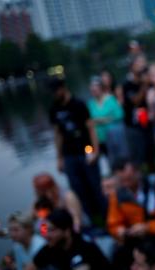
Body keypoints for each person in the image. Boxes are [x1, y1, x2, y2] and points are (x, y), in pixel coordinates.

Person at [48, 78, 106, 225]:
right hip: (69, 154)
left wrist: (95, 150)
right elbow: (57, 134)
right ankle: (90, 220)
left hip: (85, 149)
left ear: (63, 88)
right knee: (78, 189)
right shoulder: (54, 109)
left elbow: (91, 128)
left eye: (56, 90)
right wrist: (59, 158)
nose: (55, 94)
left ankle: (107, 218)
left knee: (96, 187)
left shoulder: (78, 104)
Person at [107, 159, 155, 269]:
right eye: (122, 181)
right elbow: (113, 223)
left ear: (138, 172)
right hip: (135, 241)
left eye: (129, 178)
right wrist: (120, 230)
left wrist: (148, 227)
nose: (126, 184)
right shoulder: (117, 195)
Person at [28, 209, 111, 270]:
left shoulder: (85, 249)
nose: (46, 235)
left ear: (67, 231)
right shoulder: (50, 248)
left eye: (52, 230)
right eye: (46, 230)